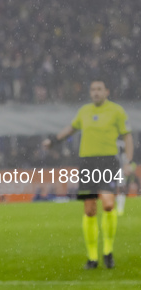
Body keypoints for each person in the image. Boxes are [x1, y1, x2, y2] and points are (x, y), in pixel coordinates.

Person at [43, 78, 133, 270]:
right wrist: (53, 141)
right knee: (89, 209)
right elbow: (71, 128)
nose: (95, 93)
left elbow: (127, 136)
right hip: (87, 164)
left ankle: (108, 251)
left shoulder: (116, 111)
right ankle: (92, 258)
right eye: (93, 89)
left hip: (108, 161)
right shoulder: (84, 111)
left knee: (108, 204)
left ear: (106, 91)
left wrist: (128, 161)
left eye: (99, 89)